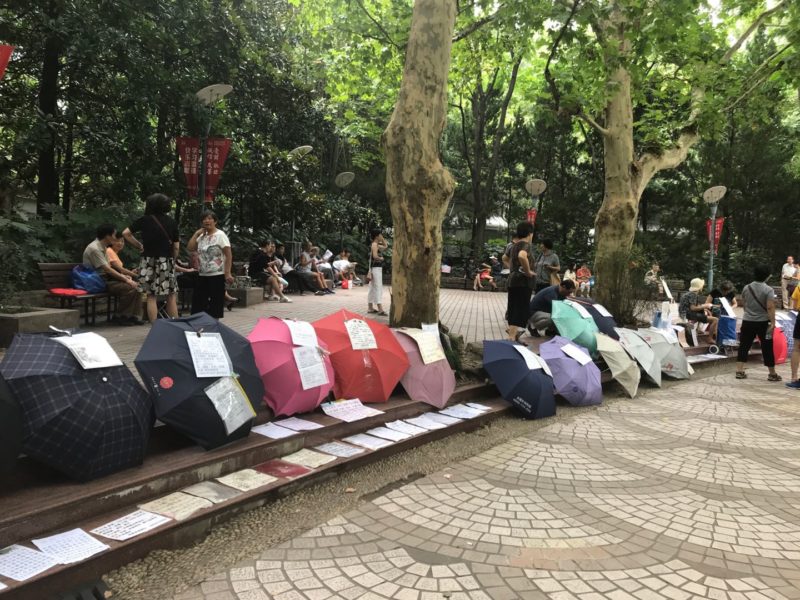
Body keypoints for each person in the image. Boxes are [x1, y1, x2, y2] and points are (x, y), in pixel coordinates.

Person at [123, 193, 180, 322]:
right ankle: (175, 325)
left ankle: (155, 328)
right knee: (171, 295)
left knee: (151, 296)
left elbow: (125, 233)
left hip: (148, 261)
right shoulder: (171, 222)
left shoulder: (144, 220)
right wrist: (173, 259)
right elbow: (176, 246)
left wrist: (139, 245)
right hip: (166, 261)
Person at [83, 224, 143, 325]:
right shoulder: (95, 248)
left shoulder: (102, 247)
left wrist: (124, 277)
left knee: (137, 286)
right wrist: (126, 280)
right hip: (97, 282)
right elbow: (108, 270)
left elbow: (109, 269)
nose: (116, 238)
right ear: (107, 236)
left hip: (104, 279)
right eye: (114, 235)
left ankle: (133, 316)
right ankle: (120, 316)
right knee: (130, 287)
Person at [735, 264, 781, 381]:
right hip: (763, 323)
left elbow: (744, 304)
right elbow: (770, 307)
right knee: (767, 347)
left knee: (744, 345)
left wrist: (749, 313)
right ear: (767, 276)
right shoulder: (768, 290)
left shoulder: (747, 287)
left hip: (747, 321)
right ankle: (772, 374)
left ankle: (739, 370)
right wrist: (773, 322)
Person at [187, 210, 234, 318]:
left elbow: (228, 255)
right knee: (198, 302)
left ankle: (214, 326)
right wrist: (197, 233)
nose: (206, 221)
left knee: (215, 303)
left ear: (215, 221)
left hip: (217, 274)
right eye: (204, 219)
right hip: (202, 274)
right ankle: (198, 324)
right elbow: (190, 248)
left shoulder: (220, 235)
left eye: (209, 218)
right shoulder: (201, 236)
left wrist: (227, 273)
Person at [506, 222, 535, 341]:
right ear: (530, 233)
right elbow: (522, 256)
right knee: (520, 308)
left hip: (512, 281)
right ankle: (512, 337)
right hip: (522, 282)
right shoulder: (525, 245)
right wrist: (528, 272)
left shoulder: (514, 245)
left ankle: (512, 334)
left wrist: (513, 269)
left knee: (513, 308)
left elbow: (504, 258)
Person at [368, 228, 388, 316]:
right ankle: (380, 309)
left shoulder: (375, 244)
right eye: (380, 234)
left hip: (374, 268)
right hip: (376, 268)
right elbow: (375, 256)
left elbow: (385, 246)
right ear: (377, 235)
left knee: (372, 287)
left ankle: (370, 307)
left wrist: (382, 239)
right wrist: (381, 258)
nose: (381, 236)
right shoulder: (375, 244)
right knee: (378, 287)